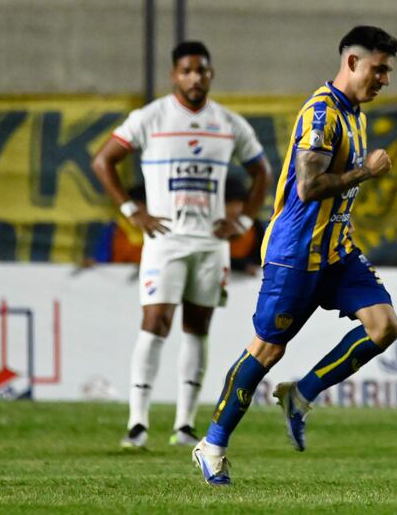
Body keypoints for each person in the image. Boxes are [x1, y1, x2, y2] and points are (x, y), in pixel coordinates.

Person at [192, 26, 397, 485]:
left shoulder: (356, 114)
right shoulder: (322, 112)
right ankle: (212, 444)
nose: (385, 79)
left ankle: (301, 394)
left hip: (336, 252)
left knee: (384, 326)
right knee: (266, 350)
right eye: (379, 69)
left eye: (388, 71)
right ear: (352, 63)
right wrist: (364, 171)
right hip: (295, 255)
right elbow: (307, 188)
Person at [92, 41, 272, 448]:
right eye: (188, 70)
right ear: (174, 74)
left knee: (197, 328)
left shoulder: (227, 123)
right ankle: (137, 422)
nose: (195, 77)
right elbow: (103, 160)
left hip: (210, 243)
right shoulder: (151, 117)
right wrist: (130, 210)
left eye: (202, 71)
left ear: (211, 75)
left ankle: (184, 425)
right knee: (155, 322)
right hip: (164, 240)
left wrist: (244, 219)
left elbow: (262, 169)